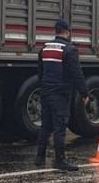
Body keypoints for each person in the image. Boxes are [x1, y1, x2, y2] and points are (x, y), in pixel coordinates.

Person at [36, 19, 89, 171]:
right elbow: (76, 73)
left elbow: (40, 72)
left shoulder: (45, 48)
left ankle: (39, 157)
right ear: (67, 32)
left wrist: (44, 86)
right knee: (60, 125)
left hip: (46, 91)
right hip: (60, 93)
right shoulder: (69, 49)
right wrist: (84, 92)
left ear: (56, 31)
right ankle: (60, 160)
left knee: (46, 125)